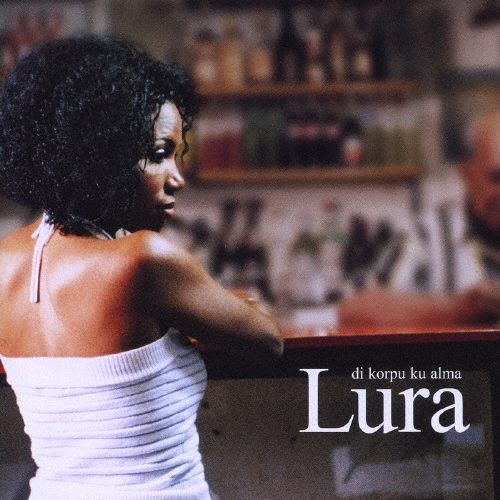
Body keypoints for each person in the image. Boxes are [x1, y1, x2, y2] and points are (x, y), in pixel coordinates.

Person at [0, 35, 283, 500]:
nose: (177, 178)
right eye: (158, 154)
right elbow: (268, 340)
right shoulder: (142, 259)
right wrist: (237, 302)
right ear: (101, 153)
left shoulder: (6, 259)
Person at [338, 108, 500, 328]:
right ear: (467, 173)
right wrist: (462, 310)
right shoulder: (425, 233)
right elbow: (353, 310)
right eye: (496, 178)